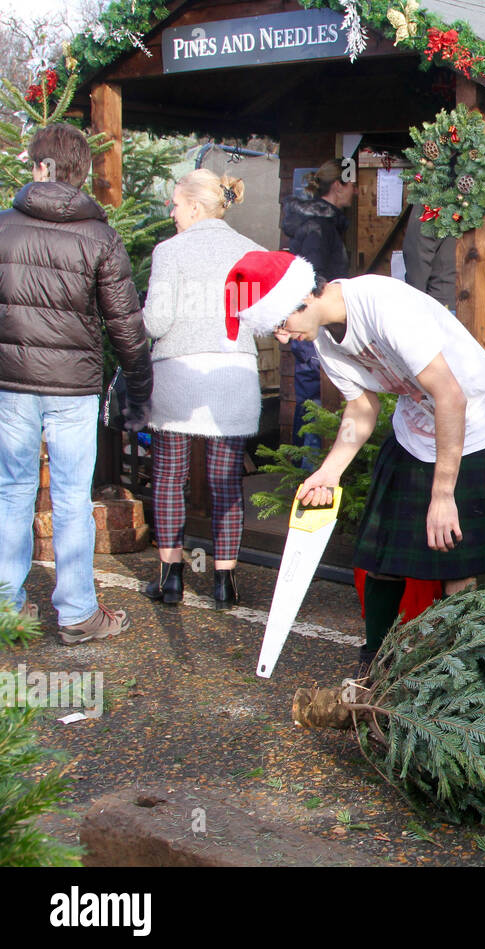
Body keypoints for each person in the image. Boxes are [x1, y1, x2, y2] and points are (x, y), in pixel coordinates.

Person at [223, 251, 485, 676]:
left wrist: (443, 494)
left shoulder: (384, 306)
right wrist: (330, 471)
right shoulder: (324, 339)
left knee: (460, 566)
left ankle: (463, 674)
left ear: (302, 299)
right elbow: (361, 410)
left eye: (281, 324)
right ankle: (375, 663)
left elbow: (451, 396)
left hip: (475, 424)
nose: (281, 337)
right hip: (417, 428)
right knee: (383, 557)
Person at [0, 122, 151, 644]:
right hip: (73, 388)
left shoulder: (2, 227)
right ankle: (78, 613)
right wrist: (139, 391)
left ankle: (7, 611)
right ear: (81, 173)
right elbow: (126, 326)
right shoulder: (100, 238)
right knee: (70, 498)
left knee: (11, 493)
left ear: (41, 168)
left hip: (10, 383)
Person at [141, 170, 264, 609]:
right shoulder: (252, 252)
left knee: (169, 477)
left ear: (194, 206)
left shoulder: (169, 252)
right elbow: (259, 321)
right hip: (234, 374)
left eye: (175, 204)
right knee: (226, 480)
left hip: (180, 372)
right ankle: (224, 584)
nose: (171, 212)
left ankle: (171, 578)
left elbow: (155, 322)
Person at [280, 159, 355, 452]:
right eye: (351, 184)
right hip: (313, 325)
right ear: (337, 186)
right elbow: (312, 277)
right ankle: (307, 466)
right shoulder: (318, 227)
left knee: (313, 396)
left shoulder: (324, 223)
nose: (357, 191)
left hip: (316, 323)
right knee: (315, 400)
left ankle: (306, 464)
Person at [402, 192, 485, 356]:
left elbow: (418, 254)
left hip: (445, 300)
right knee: (481, 375)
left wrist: (414, 305)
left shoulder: (434, 189)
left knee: (444, 377)